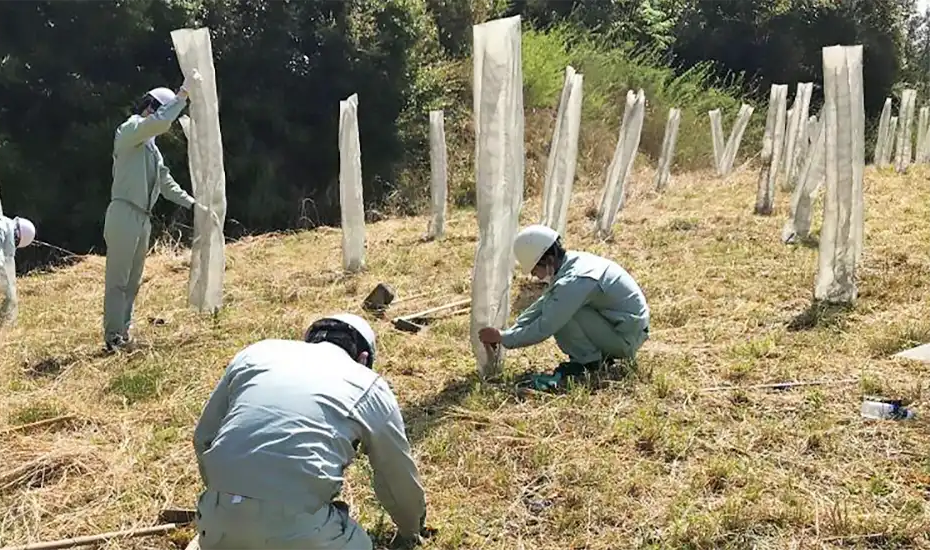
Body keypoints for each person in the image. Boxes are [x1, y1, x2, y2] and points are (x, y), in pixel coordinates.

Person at [191, 313, 433, 549]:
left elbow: (204, 439)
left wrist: (227, 497)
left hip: (216, 528)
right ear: (363, 357)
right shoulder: (368, 384)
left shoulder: (254, 354)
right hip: (300, 534)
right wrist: (411, 530)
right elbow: (396, 474)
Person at [103, 68, 220, 352]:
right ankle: (112, 338)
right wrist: (183, 95)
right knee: (118, 280)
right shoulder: (130, 129)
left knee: (132, 282)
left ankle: (123, 333)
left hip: (142, 218)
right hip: (123, 212)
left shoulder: (152, 151)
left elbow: (167, 184)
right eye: (162, 111)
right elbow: (157, 124)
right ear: (150, 107)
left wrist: (195, 206)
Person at [478, 224, 650, 391]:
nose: (534, 276)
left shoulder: (575, 281)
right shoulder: (572, 263)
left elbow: (546, 326)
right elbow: (545, 303)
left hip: (627, 339)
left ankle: (590, 364)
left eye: (534, 270)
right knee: (558, 307)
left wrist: (504, 338)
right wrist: (513, 328)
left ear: (549, 259)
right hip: (620, 328)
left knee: (564, 316)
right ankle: (596, 356)